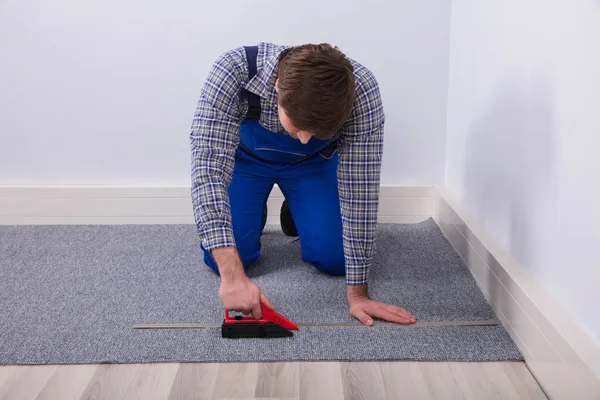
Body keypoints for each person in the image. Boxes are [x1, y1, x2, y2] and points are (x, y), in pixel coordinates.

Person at [189, 42, 416, 326]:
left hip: (312, 166)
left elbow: (361, 190)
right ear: (278, 86)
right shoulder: (233, 70)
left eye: (317, 130)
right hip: (244, 163)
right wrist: (233, 277)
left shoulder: (363, 89)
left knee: (337, 261)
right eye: (298, 124)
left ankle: (297, 209)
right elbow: (208, 169)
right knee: (228, 258)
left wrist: (359, 295)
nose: (306, 138)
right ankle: (252, 208)